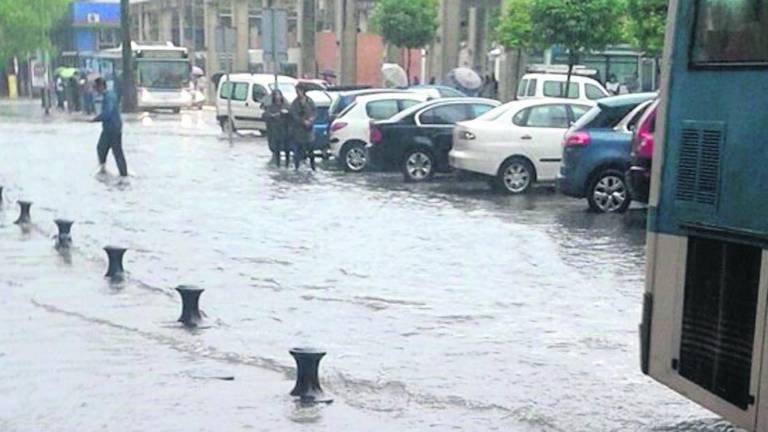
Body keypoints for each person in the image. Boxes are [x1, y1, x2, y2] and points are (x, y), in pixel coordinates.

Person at [92, 77, 128, 177]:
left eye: (96, 87)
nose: (95, 90)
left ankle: (123, 173)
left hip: (113, 129)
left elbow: (107, 113)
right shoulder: (108, 96)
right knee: (101, 148)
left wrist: (96, 119)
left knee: (116, 151)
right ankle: (103, 169)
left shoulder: (109, 97)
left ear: (101, 86)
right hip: (110, 128)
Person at [289, 84, 317, 171]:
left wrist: (311, 120)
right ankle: (297, 167)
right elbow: (294, 115)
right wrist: (302, 121)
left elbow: (315, 112)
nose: (298, 93)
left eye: (299, 91)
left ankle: (313, 167)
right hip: (298, 131)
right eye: (296, 91)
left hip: (309, 131)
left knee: (311, 151)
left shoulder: (310, 101)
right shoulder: (294, 103)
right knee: (297, 151)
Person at [262, 89, 289, 167]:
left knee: (286, 148)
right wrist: (272, 116)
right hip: (275, 131)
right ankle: (278, 165)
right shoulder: (271, 107)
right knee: (277, 149)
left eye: (279, 95)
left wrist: (286, 113)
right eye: (276, 95)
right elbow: (264, 115)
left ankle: (286, 165)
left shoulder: (285, 105)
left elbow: (291, 113)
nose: (278, 97)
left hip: (285, 131)